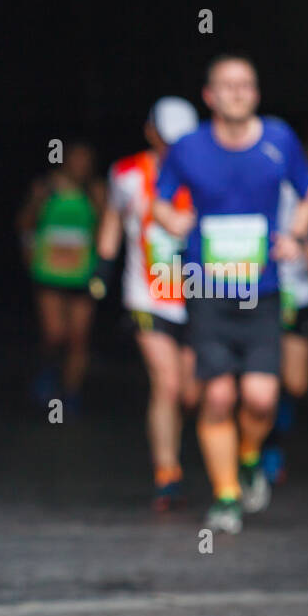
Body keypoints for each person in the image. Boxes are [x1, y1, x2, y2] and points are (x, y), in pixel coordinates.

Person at [152, 54, 308, 534]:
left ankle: (249, 456)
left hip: (262, 291)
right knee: (219, 395)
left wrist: (298, 237)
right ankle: (226, 497)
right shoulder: (188, 148)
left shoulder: (279, 139)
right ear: (209, 96)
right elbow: (161, 200)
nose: (237, 92)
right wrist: (171, 220)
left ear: (257, 94)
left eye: (246, 84)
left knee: (262, 398)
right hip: (207, 291)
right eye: (227, 85)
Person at [98, 97, 201, 509]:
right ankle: (166, 473)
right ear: (150, 131)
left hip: (199, 296)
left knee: (193, 394)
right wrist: (101, 270)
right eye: (166, 140)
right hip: (146, 294)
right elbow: (111, 218)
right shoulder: (125, 174)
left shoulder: (208, 170)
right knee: (168, 383)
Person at [263, 171, 308, 484]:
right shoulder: (240, 168)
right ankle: (260, 451)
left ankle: (272, 437)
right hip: (256, 291)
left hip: (299, 292)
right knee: (258, 377)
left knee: (294, 382)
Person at [19, 142, 104, 414]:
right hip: (49, 272)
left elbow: (106, 227)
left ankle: (71, 392)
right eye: (75, 158)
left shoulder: (96, 191)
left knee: (78, 337)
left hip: (83, 273)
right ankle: (49, 370)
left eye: (85, 159)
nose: (80, 164)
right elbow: (25, 222)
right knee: (55, 334)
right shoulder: (46, 188)